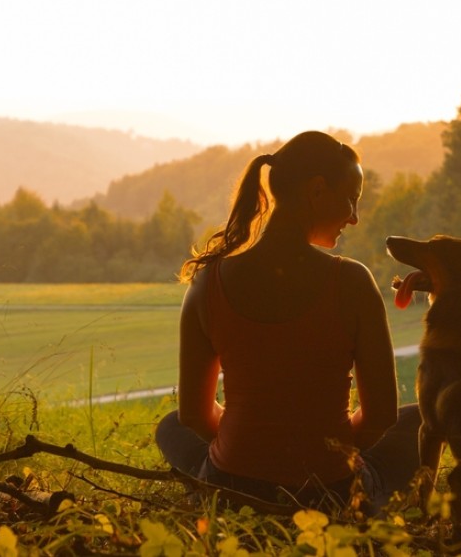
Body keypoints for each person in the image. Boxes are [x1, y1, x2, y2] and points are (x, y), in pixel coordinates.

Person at [156, 130, 421, 514]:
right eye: (351, 199)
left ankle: (210, 488)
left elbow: (195, 415)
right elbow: (380, 417)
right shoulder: (352, 282)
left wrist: (255, 443)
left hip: (231, 487)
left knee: (172, 426)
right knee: (419, 419)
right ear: (317, 190)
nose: (355, 217)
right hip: (330, 491)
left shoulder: (207, 282)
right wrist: (323, 452)